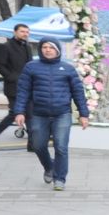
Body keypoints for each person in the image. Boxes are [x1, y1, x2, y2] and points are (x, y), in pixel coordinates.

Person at [12, 38, 90, 191]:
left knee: (61, 147)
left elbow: (78, 92)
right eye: (44, 47)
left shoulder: (67, 68)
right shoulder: (31, 67)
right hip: (38, 114)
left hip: (62, 114)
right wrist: (19, 111)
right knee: (38, 145)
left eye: (51, 47)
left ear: (58, 50)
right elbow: (23, 91)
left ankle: (59, 178)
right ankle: (49, 167)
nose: (47, 50)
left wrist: (83, 114)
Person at [0, 22, 32, 150]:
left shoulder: (27, 46)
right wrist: (11, 77)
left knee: (30, 113)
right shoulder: (6, 46)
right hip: (13, 87)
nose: (25, 34)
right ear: (15, 32)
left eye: (27, 32)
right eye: (22, 31)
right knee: (15, 113)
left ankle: (32, 144)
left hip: (27, 86)